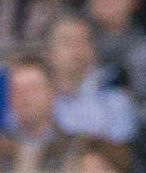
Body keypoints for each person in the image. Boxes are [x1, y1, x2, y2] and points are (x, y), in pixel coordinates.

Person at [45, 14, 134, 144]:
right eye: (67, 41)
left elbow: (121, 146)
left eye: (84, 41)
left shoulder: (114, 96)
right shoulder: (32, 93)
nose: (77, 49)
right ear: (48, 52)